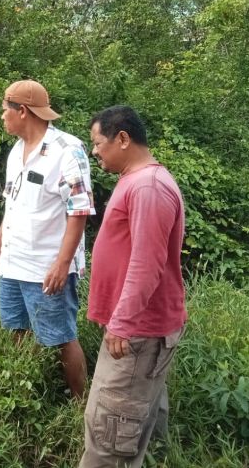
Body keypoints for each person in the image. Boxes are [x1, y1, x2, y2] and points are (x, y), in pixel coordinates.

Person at [80, 105, 187, 468]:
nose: (94, 151)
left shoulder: (148, 187)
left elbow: (146, 263)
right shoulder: (136, 180)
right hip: (138, 333)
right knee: (128, 427)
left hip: (137, 336)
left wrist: (122, 322)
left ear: (122, 138)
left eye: (98, 143)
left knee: (108, 438)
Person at [0, 80, 94, 399]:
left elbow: (79, 212)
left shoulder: (67, 150)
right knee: (17, 329)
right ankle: (28, 393)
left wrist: (61, 264)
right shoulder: (16, 151)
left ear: (23, 111)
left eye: (5, 109)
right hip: (14, 263)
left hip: (47, 267)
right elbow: (12, 203)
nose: (2, 116)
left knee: (60, 337)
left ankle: (79, 402)